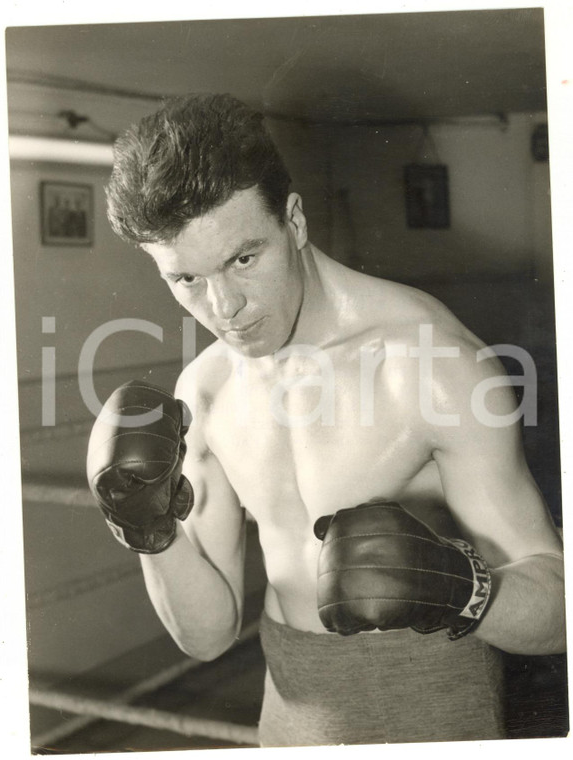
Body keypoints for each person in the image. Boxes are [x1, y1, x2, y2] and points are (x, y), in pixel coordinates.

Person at [87, 94, 565, 746]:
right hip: (288, 717)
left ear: (295, 221)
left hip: (435, 710)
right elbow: (206, 635)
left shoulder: (429, 362)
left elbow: (558, 612)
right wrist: (149, 534)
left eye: (243, 259)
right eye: (186, 281)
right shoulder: (205, 389)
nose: (224, 307)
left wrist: (461, 589)